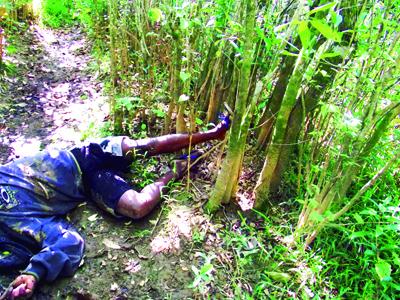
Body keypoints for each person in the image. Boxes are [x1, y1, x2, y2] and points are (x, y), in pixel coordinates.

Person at [0, 118, 229, 299]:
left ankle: (212, 134)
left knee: (143, 146)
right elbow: (67, 240)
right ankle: (181, 166)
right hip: (90, 182)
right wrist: (33, 273)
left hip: (82, 154)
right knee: (138, 207)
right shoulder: (16, 226)